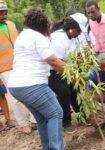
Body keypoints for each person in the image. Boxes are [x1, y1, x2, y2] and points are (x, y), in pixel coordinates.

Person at [8, 7, 65, 150]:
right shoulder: (38, 37)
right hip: (32, 85)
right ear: (43, 23)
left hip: (16, 86)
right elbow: (52, 60)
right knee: (55, 113)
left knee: (43, 118)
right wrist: (73, 72)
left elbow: (43, 61)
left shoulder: (23, 35)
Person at [0, 0, 36, 134]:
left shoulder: (11, 25)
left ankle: (33, 120)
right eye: (0, 13)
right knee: (14, 97)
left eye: (5, 12)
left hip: (20, 64)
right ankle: (23, 124)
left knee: (29, 91)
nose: (4, 15)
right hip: (4, 69)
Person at [49, 17, 86, 129]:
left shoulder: (73, 36)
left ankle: (82, 116)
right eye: (77, 32)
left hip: (70, 70)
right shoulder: (58, 38)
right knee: (64, 94)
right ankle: (65, 122)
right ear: (71, 29)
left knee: (76, 91)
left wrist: (81, 71)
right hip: (55, 71)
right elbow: (57, 62)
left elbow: (78, 54)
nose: (78, 35)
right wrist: (73, 75)